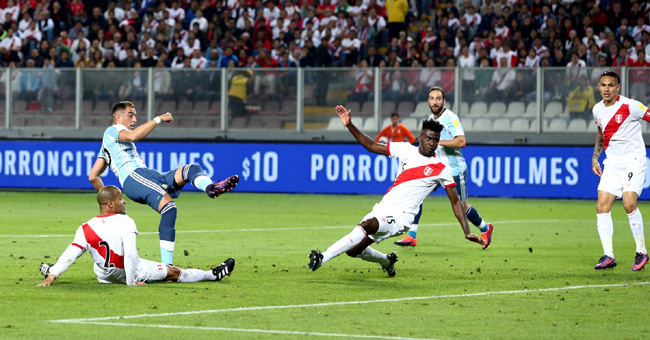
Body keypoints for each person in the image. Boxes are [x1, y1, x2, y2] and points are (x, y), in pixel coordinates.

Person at [308, 105, 485, 276]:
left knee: (368, 225)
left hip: (402, 217)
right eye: (428, 138)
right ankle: (387, 261)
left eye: (435, 140)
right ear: (420, 136)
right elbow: (371, 145)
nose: (432, 143)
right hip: (384, 207)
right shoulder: (405, 149)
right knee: (354, 250)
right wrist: (349, 125)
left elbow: (455, 201)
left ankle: (322, 258)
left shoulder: (441, 168)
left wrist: (467, 231)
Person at [88, 101, 239, 265]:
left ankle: (211, 187)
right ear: (117, 117)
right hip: (135, 177)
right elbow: (134, 136)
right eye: (130, 115)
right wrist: (159, 119)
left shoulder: (106, 146)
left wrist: (110, 199)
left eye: (135, 115)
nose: (134, 119)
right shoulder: (113, 130)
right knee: (169, 208)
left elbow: (93, 177)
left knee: (191, 170)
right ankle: (168, 267)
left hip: (148, 176)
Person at [38, 185, 235, 286]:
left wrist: (53, 276)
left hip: (104, 275)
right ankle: (212, 275)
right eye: (120, 198)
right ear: (110, 204)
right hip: (129, 272)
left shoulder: (85, 227)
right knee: (173, 272)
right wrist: (131, 282)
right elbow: (131, 255)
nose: (124, 202)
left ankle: (51, 270)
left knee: (93, 257)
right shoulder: (126, 221)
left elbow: (71, 254)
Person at [395, 86, 494, 248]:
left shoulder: (450, 118)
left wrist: (438, 141)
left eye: (438, 99)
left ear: (443, 101)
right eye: (432, 98)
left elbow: (461, 141)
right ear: (428, 101)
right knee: (416, 195)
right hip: (435, 169)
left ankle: (485, 227)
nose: (435, 102)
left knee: (462, 206)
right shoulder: (430, 119)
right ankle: (412, 235)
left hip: (454, 170)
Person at [591, 70, 649, 271]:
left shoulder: (631, 106)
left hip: (633, 161)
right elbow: (601, 133)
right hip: (612, 164)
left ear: (618, 87)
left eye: (610, 85)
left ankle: (641, 251)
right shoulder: (597, 110)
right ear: (599, 87)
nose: (606, 89)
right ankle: (609, 256)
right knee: (601, 206)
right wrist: (595, 157)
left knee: (628, 203)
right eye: (603, 85)